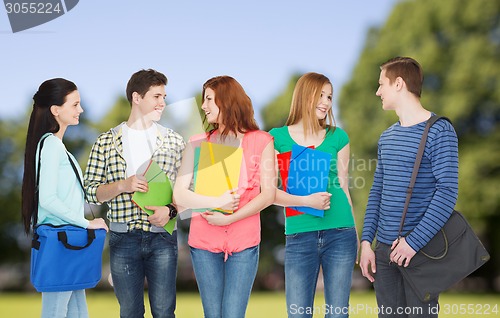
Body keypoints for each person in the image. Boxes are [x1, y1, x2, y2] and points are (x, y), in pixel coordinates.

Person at [359, 57, 459, 318]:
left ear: (399, 84)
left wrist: (412, 243)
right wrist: (367, 241)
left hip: (421, 252)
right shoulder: (387, 136)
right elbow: (377, 192)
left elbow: (447, 193)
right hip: (383, 253)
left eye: (382, 84)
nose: (378, 91)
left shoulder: (440, 131)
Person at [84, 69, 185, 318]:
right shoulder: (106, 142)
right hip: (123, 239)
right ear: (137, 98)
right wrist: (122, 185)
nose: (163, 102)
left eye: (164, 96)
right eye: (156, 96)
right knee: (129, 312)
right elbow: (91, 192)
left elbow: (189, 192)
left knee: (164, 312)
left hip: (162, 238)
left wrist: (170, 210)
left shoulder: (174, 141)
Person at [173, 75, 276, 318]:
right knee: (213, 314)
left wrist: (230, 218)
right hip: (204, 240)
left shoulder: (262, 141)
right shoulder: (197, 143)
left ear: (226, 101)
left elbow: (268, 194)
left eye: (208, 99)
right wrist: (216, 203)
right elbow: (179, 194)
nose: (203, 106)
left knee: (232, 314)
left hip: (244, 240)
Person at [269, 72, 358, 318]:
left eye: (329, 96)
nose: (326, 102)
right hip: (299, 235)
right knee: (298, 314)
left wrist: (357, 235)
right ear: (304, 96)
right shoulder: (277, 138)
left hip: (341, 232)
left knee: (338, 314)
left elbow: (343, 185)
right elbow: (268, 193)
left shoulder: (338, 137)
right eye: (320, 95)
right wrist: (306, 201)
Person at [21, 78, 109, 318]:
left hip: (67, 242)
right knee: (56, 312)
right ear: (56, 110)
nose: (80, 109)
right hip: (61, 241)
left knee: (78, 313)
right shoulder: (51, 146)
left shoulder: (57, 147)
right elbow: (48, 200)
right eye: (75, 104)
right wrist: (87, 223)